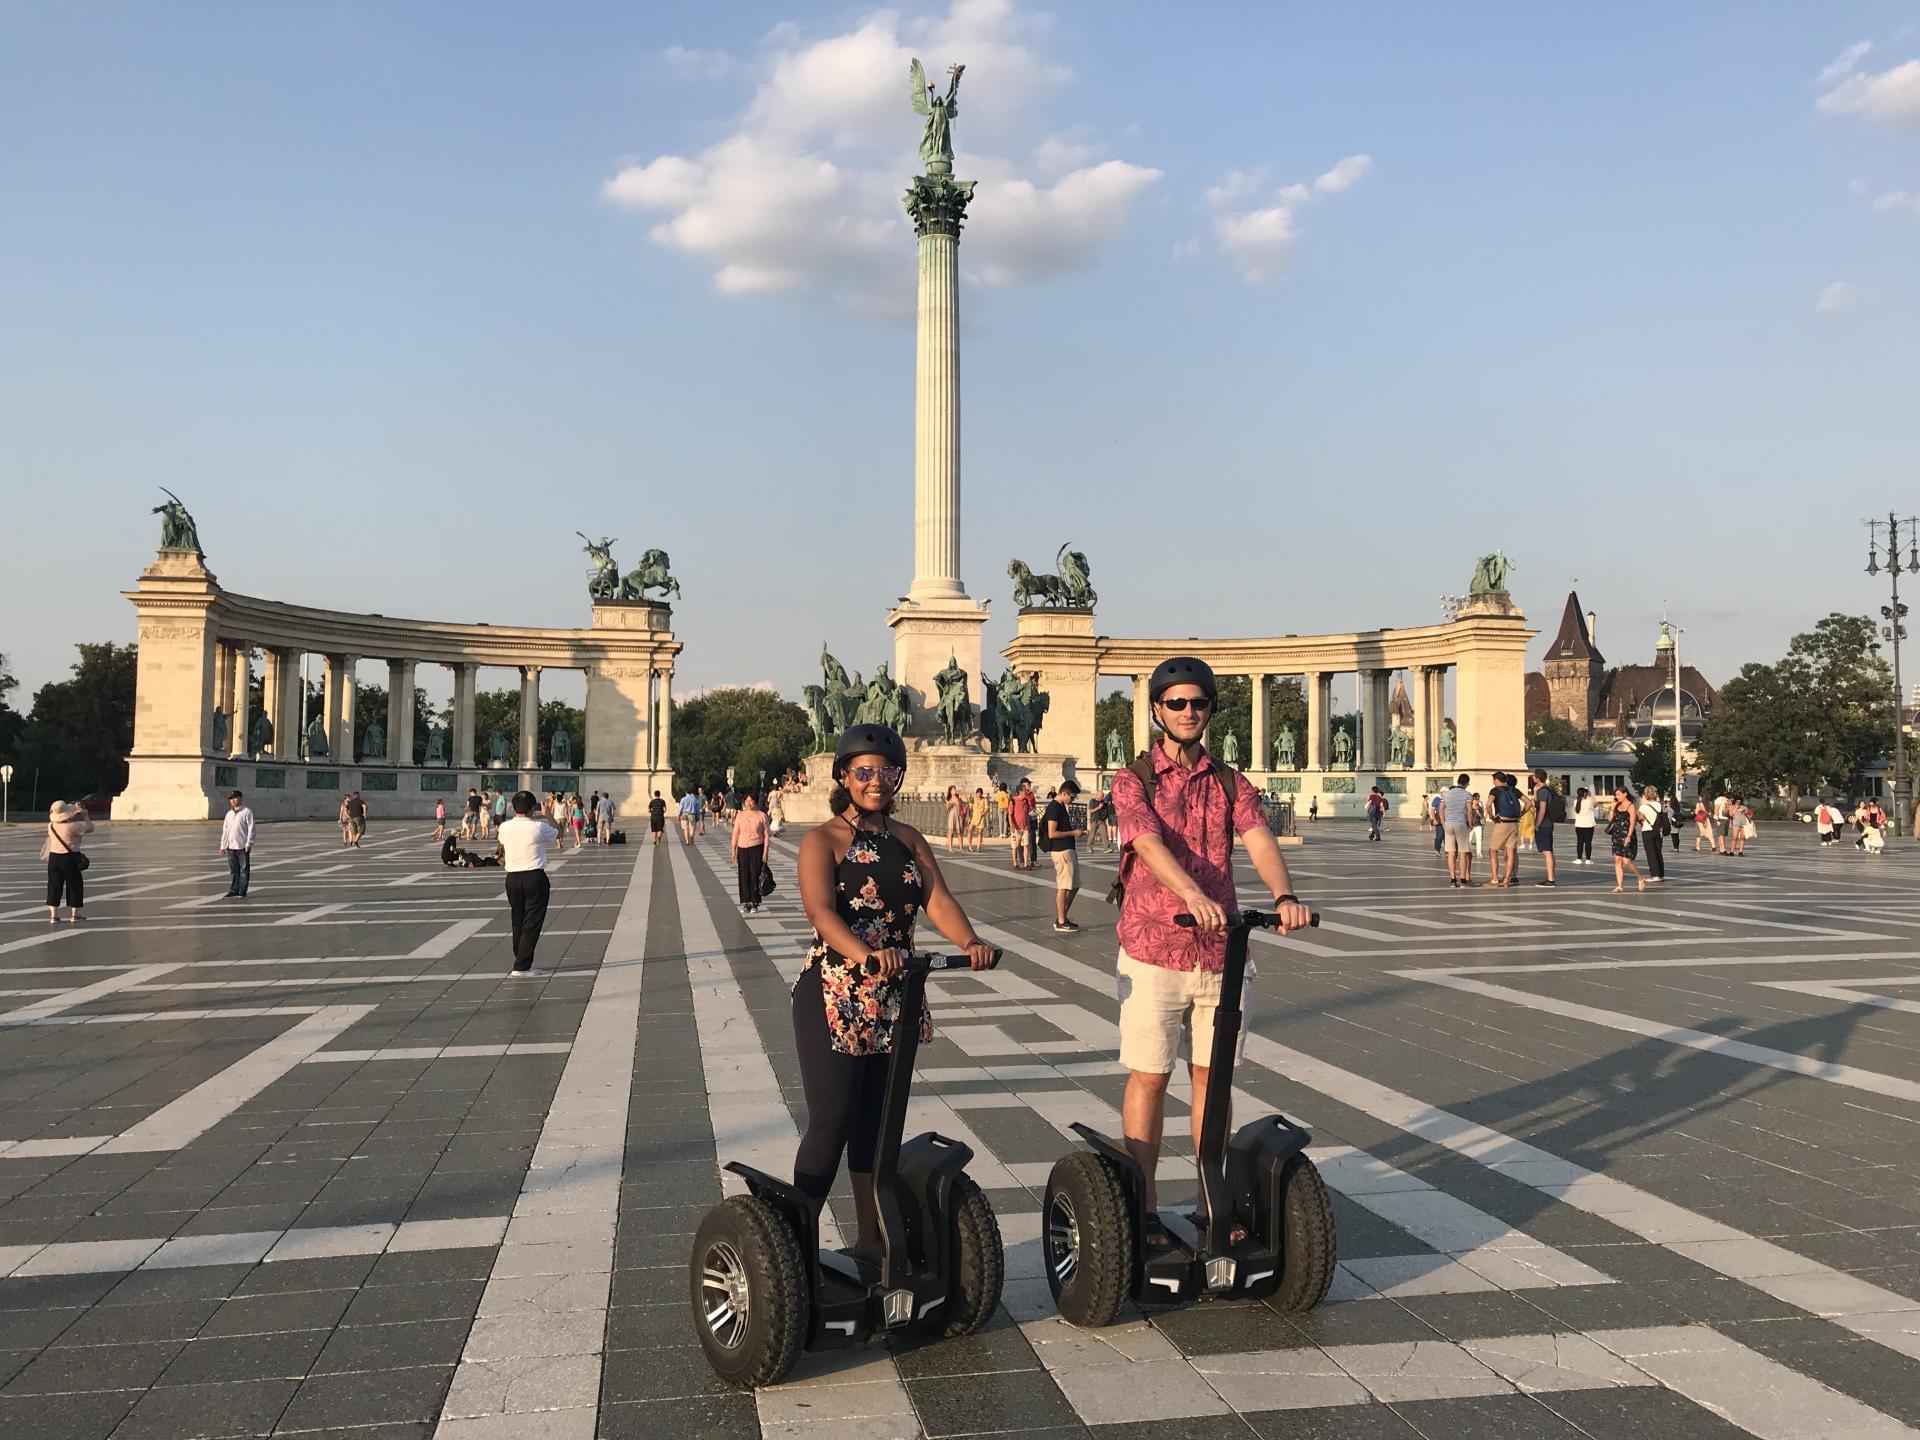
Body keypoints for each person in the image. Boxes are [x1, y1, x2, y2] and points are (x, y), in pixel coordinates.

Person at [1109, 657, 1311, 1225]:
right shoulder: (1134, 779)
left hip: (1221, 953)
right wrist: (1192, 894)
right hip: (1154, 950)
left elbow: (1258, 836)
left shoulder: (1229, 780)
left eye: (1198, 703)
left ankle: (1209, 1202)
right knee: (1150, 1076)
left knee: (1212, 1078)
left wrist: (1283, 897)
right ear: (1157, 710)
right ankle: (1142, 1210)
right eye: (1176, 703)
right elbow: (1146, 842)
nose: (1188, 712)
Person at [793, 724, 995, 1259]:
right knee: (832, 1120)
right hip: (835, 991)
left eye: (887, 772)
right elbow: (821, 913)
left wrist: (971, 940)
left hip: (893, 995)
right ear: (843, 776)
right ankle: (793, 1248)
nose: (876, 781)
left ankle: (871, 1241)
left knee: (878, 1127)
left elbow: (939, 901)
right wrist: (865, 955)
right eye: (864, 772)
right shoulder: (822, 841)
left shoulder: (908, 839)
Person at [499, 791, 559, 976]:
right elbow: (560, 833)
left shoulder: (504, 827)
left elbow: (502, 844)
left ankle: (520, 960)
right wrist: (549, 815)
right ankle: (522, 965)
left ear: (513, 807)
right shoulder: (538, 827)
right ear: (533, 808)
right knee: (532, 921)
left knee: (517, 920)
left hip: (513, 878)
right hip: (534, 876)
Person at [1044, 779, 1087, 932]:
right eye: (1072, 797)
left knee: (1074, 885)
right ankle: (1061, 920)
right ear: (1064, 793)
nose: (1073, 800)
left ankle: (1062, 916)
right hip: (1061, 851)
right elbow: (1052, 833)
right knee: (1063, 886)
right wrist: (1073, 833)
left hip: (1068, 849)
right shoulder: (1054, 808)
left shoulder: (1061, 806)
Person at [43, 800, 93, 923]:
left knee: (54, 886)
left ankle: (54, 915)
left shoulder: (51, 826)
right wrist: (85, 815)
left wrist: (72, 811)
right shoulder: (74, 826)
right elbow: (90, 828)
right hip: (70, 858)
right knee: (74, 885)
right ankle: (75, 914)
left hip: (54, 857)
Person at [733, 793, 771, 914]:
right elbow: (735, 833)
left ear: (755, 801)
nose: (749, 803)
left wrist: (765, 851)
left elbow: (766, 835)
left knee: (755, 874)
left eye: (751, 801)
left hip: (757, 847)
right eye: (747, 801)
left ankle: (754, 901)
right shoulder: (740, 816)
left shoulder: (762, 816)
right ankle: (746, 901)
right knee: (744, 875)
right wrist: (733, 849)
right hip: (742, 848)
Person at [1486, 772, 1523, 887]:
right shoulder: (1513, 790)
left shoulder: (1495, 790)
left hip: (1502, 822)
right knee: (1511, 851)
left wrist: (1492, 816)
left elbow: (1488, 805)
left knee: (1493, 850)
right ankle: (1507, 879)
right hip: (1514, 823)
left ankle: (1495, 879)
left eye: (1493, 780)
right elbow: (1529, 803)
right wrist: (1521, 814)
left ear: (1497, 780)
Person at [1606, 785, 1646, 892]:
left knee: (1627, 861)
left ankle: (1640, 877)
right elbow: (1610, 819)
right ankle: (1620, 885)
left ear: (1625, 794)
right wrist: (1613, 807)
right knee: (1617, 860)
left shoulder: (1631, 806)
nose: (1617, 796)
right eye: (1616, 795)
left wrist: (1628, 836)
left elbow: (1633, 822)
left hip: (1627, 836)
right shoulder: (1617, 805)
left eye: (1619, 794)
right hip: (1616, 836)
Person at [219, 790, 255, 898]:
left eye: (235, 798)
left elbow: (251, 829)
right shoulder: (229, 814)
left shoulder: (247, 812)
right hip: (230, 846)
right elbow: (225, 830)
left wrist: (249, 843)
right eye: (231, 799)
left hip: (242, 846)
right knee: (234, 870)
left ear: (240, 798)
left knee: (244, 869)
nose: (233, 801)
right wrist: (223, 845)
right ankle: (234, 889)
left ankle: (242, 891)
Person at [1439, 773, 1473, 887]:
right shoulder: (1467, 794)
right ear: (1467, 783)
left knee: (1451, 852)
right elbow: (1469, 810)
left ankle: (1453, 879)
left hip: (1449, 824)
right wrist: (1470, 824)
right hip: (1461, 824)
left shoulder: (1446, 793)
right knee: (1463, 852)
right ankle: (1463, 878)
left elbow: (1441, 810)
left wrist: (1444, 823)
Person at [1532, 770, 1562, 886]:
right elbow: (1537, 804)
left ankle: (1550, 879)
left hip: (1544, 824)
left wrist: (1537, 824)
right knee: (1549, 851)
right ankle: (1551, 877)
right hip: (1549, 823)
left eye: (1534, 776)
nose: (1533, 778)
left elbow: (1542, 809)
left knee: (1547, 851)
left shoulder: (1543, 791)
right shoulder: (1548, 789)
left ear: (1537, 778)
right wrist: (1535, 792)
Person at [1638, 785, 1666, 882]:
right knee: (1658, 852)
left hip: (1647, 830)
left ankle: (1655, 874)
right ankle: (1661, 874)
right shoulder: (1659, 805)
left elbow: (1640, 818)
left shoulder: (1643, 807)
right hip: (1658, 830)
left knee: (1651, 853)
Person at [1009, 779, 1036, 870]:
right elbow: (1010, 814)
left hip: (1025, 827)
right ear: (1020, 792)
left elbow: (1029, 811)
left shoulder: (1026, 800)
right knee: (1015, 846)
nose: (1026, 792)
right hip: (1016, 827)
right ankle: (1015, 863)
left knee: (1026, 845)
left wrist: (1031, 817)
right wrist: (1011, 825)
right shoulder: (1013, 801)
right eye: (1024, 791)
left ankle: (1025, 864)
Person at [1571, 786, 1597, 864]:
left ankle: (1579, 859)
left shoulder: (1576, 801)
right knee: (1588, 842)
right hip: (1589, 825)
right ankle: (1588, 859)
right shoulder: (1589, 801)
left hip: (1579, 825)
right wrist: (1590, 795)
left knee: (1580, 842)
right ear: (1585, 793)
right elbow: (1595, 804)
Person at [968, 787, 989, 853]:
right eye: (978, 793)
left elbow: (987, 808)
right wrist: (969, 817)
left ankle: (978, 847)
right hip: (974, 817)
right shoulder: (973, 799)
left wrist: (983, 814)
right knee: (970, 831)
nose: (979, 794)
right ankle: (970, 846)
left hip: (981, 817)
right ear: (976, 793)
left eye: (980, 793)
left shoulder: (984, 800)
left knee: (980, 833)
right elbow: (970, 809)